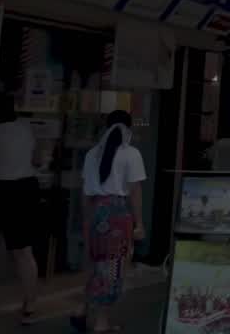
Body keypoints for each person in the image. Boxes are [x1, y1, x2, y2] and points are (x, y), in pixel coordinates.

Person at [72, 110, 146, 334]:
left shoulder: (92, 153)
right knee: (113, 268)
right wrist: (139, 223)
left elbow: (85, 193)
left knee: (95, 265)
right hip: (117, 213)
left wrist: (86, 222)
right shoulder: (131, 153)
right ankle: (102, 324)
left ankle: (81, 310)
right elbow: (135, 191)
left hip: (95, 211)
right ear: (128, 129)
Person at [0, 93, 39, 325]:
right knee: (24, 250)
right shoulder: (25, 128)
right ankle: (30, 303)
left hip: (2, 188)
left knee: (17, 250)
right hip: (26, 188)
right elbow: (35, 159)